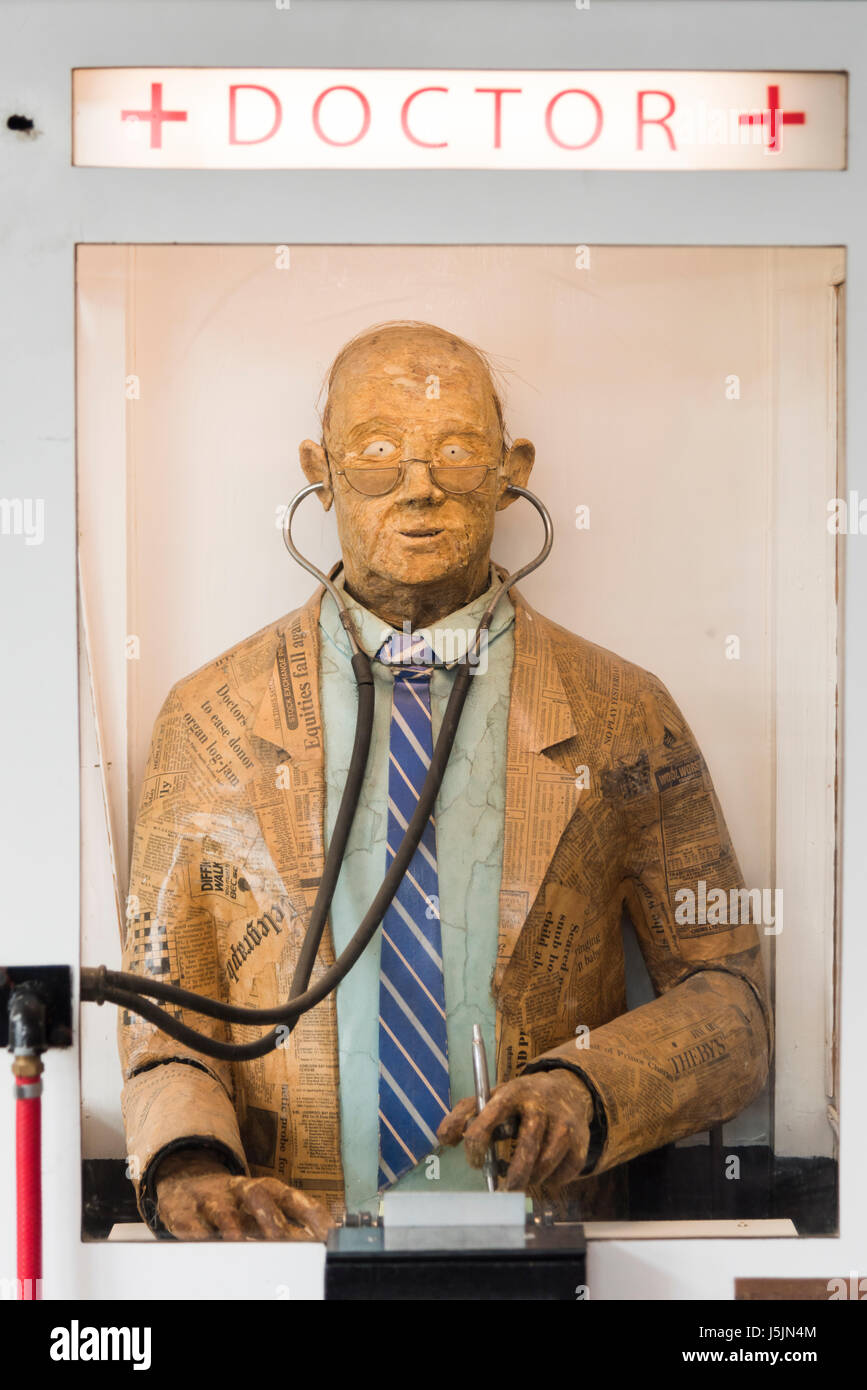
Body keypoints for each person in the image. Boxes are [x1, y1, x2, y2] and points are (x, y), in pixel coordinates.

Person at [119, 321, 772, 1240]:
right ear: (320, 467)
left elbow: (730, 1004)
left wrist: (582, 1089)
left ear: (514, 469)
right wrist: (189, 1165)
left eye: (457, 452)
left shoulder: (623, 711)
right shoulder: (208, 720)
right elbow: (157, 1021)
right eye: (377, 453)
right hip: (290, 1255)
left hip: (545, 1253)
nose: (418, 486)